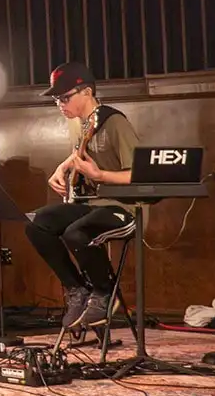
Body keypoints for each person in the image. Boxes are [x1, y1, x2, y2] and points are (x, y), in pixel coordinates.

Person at [22, 62, 138, 333]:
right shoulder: (78, 123)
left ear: (87, 92)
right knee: (36, 224)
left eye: (65, 97)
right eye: (56, 100)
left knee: (76, 233)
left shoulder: (115, 123)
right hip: (91, 204)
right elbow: (80, 153)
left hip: (124, 207)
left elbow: (139, 174)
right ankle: (77, 289)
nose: (60, 105)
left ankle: (105, 292)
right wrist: (61, 168)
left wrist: (100, 175)